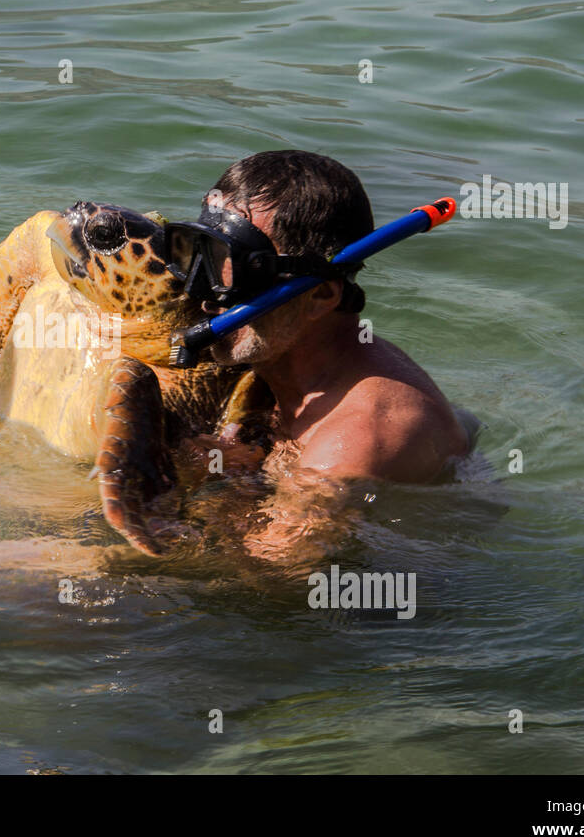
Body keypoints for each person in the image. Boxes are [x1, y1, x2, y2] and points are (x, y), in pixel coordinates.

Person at [165, 150, 474, 560]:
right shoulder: (282, 366)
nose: (202, 299)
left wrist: (221, 489)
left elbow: (272, 576)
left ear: (321, 295)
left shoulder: (352, 444)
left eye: (232, 268)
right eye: (198, 255)